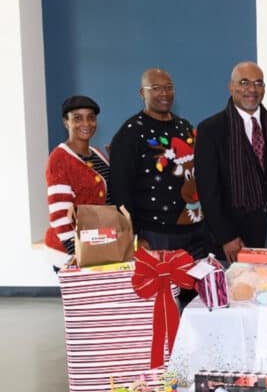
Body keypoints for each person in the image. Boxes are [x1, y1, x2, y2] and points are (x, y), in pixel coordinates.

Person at [194, 61, 267, 262]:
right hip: (235, 237)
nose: (251, 89)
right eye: (244, 82)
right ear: (231, 86)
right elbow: (208, 190)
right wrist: (226, 236)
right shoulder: (211, 130)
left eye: (258, 83)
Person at [110, 68, 209, 259]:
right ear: (142, 93)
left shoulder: (184, 127)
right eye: (155, 88)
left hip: (195, 230)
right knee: (164, 289)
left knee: (195, 288)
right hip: (155, 235)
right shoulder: (130, 133)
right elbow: (120, 189)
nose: (164, 94)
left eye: (168, 88)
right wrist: (135, 236)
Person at [45, 96, 110, 259]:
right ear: (66, 122)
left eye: (91, 118)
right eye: (77, 118)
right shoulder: (59, 158)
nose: (86, 123)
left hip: (97, 242)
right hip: (72, 250)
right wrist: (75, 251)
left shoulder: (97, 154)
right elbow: (59, 213)